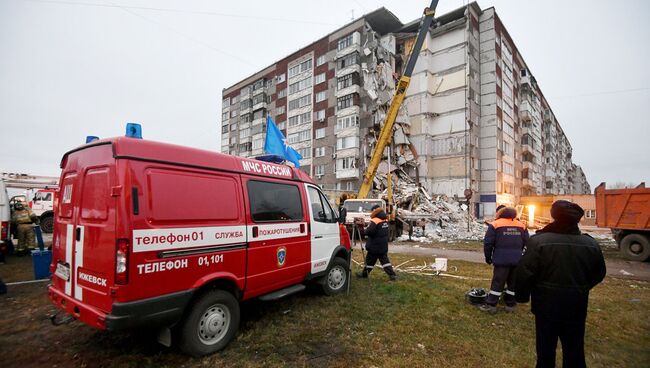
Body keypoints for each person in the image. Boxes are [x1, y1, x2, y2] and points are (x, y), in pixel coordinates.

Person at [515, 200, 606, 368]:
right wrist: (581, 287)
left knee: (545, 350)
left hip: (545, 305)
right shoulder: (591, 244)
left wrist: (521, 296)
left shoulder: (539, 241)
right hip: (576, 305)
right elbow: (599, 273)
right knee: (575, 349)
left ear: (553, 215)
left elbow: (525, 272)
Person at [480, 206, 529, 314]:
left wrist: (488, 257)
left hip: (501, 259)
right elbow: (528, 243)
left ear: (500, 214)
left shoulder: (495, 224)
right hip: (517, 259)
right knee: (513, 283)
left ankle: (492, 304)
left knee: (498, 282)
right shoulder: (521, 225)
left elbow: (488, 244)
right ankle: (510, 304)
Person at [357, 205, 397, 281]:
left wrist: (363, 230)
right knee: (385, 261)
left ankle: (364, 274)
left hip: (374, 245)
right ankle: (392, 275)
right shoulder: (384, 219)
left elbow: (370, 232)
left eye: (372, 211)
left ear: (374, 211)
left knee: (369, 261)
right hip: (382, 245)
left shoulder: (375, 220)